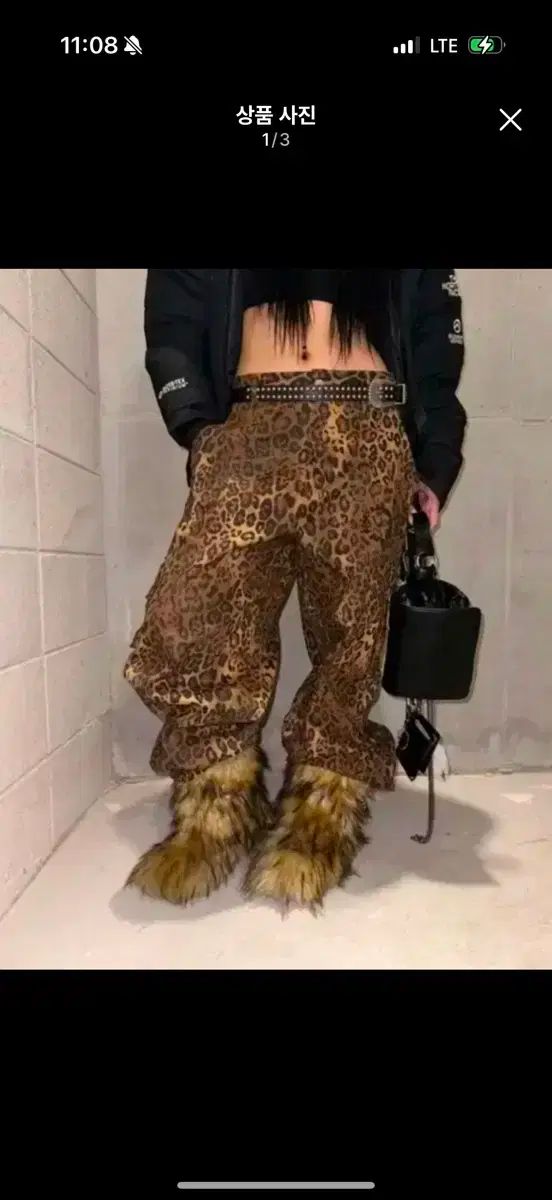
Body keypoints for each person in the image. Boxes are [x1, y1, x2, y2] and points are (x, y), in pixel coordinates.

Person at [123, 269, 466, 909]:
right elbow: (170, 320)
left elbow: (434, 336)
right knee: (193, 618)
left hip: (367, 426)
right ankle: (215, 806)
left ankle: (322, 814)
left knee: (351, 633)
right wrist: (199, 430)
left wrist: (435, 460)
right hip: (251, 418)